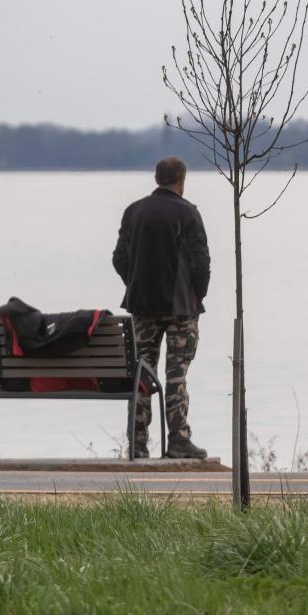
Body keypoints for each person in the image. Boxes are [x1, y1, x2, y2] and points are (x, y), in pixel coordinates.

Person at [112, 156, 210, 459]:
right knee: (176, 375)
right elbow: (201, 262)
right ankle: (178, 440)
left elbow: (119, 258)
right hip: (181, 308)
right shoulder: (188, 213)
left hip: (143, 307)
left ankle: (138, 444)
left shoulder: (134, 212)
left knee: (142, 373)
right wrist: (197, 296)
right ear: (181, 179)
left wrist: (135, 283)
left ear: (157, 178)